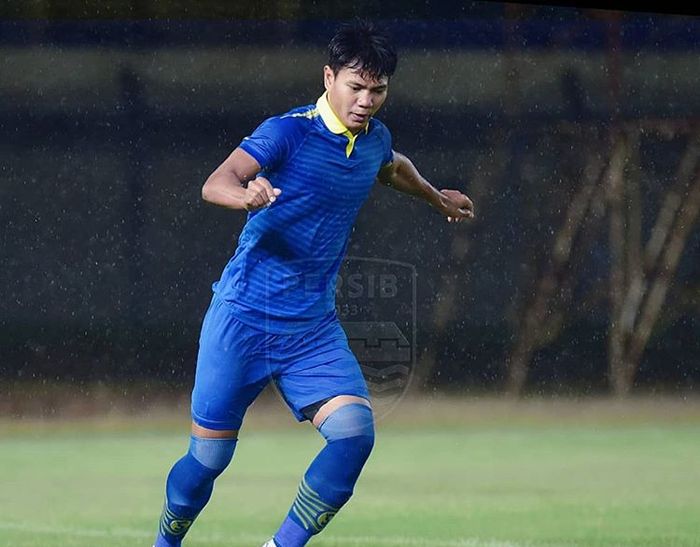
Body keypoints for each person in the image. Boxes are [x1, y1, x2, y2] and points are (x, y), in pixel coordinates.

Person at [153, 20, 474, 547]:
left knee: (353, 436)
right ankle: (166, 542)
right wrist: (246, 197)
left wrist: (438, 198)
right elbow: (218, 182)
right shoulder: (288, 132)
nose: (367, 100)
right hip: (242, 319)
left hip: (311, 329)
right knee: (207, 461)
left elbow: (392, 167)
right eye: (356, 86)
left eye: (378, 90)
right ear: (329, 77)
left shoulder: (374, 140)